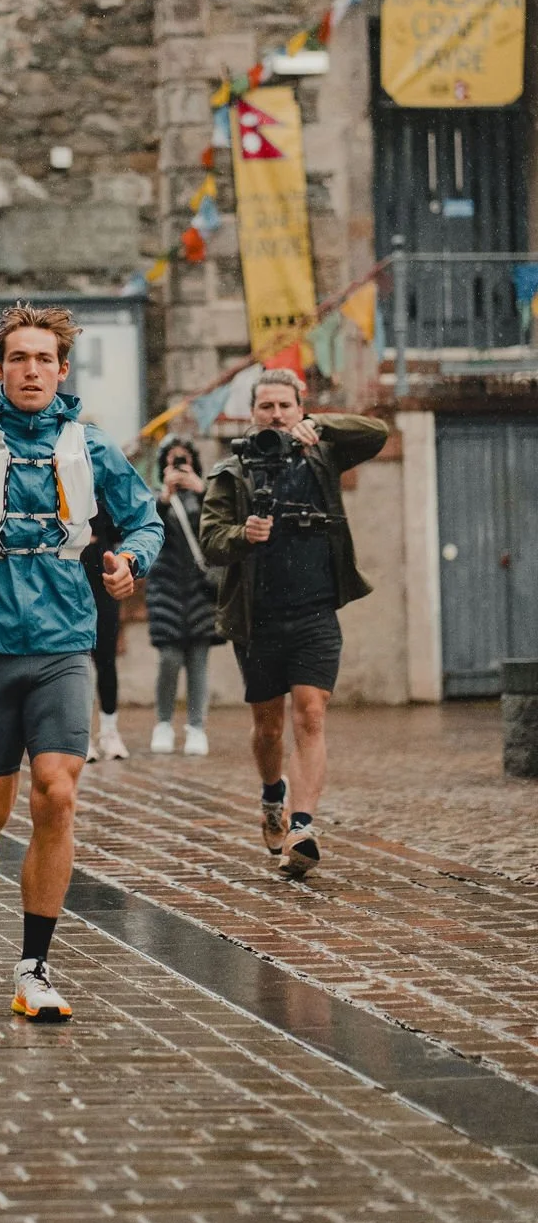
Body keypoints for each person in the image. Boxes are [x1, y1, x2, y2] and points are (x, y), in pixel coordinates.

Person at [0, 303, 163, 1022]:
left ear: (63, 370)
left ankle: (35, 966)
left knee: (57, 792)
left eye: (45, 359)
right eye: (19, 358)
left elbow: (146, 518)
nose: (32, 370)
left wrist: (131, 561)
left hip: (65, 643)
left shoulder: (91, 446)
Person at [199, 370, 388, 876]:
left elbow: (377, 434)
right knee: (268, 727)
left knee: (311, 715)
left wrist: (320, 427)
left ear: (299, 408)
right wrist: (245, 533)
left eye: (286, 405)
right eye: (267, 407)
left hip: (315, 611)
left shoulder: (323, 452)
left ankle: (302, 827)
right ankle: (271, 795)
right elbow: (211, 540)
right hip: (257, 619)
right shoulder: (230, 471)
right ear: (253, 412)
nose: (276, 415)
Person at [146, 434, 218, 757]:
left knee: (199, 660)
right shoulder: (155, 498)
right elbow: (147, 533)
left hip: (201, 587)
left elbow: (217, 531)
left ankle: (196, 727)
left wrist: (203, 492)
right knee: (169, 658)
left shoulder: (208, 495)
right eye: (172, 460)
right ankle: (162, 722)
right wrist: (164, 498)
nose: (178, 466)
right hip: (167, 586)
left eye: (184, 460)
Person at [80, 504, 128, 761]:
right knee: (77, 662)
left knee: (106, 659)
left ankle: (110, 732)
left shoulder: (106, 486)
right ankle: (81, 734)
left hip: (103, 576)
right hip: (72, 574)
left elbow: (120, 529)